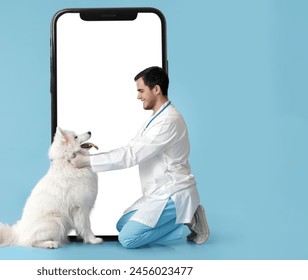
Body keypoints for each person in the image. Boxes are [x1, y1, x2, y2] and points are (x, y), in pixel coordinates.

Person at [71, 66, 209, 249]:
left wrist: (88, 161)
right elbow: (131, 148)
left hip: (172, 192)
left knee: (128, 239)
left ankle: (189, 218)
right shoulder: (156, 119)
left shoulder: (169, 121)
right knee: (122, 225)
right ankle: (184, 217)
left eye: (141, 90)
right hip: (156, 192)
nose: (138, 96)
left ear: (156, 89)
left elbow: (132, 155)